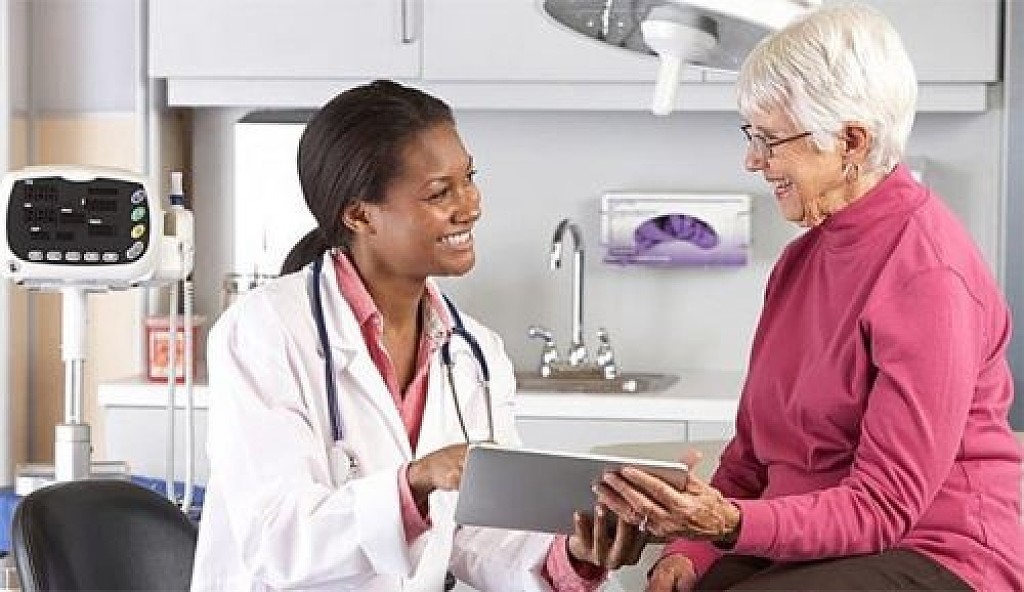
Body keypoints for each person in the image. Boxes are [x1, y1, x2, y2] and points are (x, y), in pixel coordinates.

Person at [595, 4, 1023, 591]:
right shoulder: (800, 262)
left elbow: (882, 507)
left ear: (850, 140)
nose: (753, 160)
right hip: (815, 542)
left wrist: (729, 523)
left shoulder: (929, 275)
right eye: (752, 136)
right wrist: (690, 551)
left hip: (937, 551)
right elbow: (749, 457)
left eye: (770, 139)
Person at [191, 80, 646, 591]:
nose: (470, 206)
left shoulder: (475, 354)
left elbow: (478, 536)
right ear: (360, 215)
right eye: (439, 192)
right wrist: (416, 482)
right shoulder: (264, 331)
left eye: (469, 178)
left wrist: (573, 556)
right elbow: (277, 539)